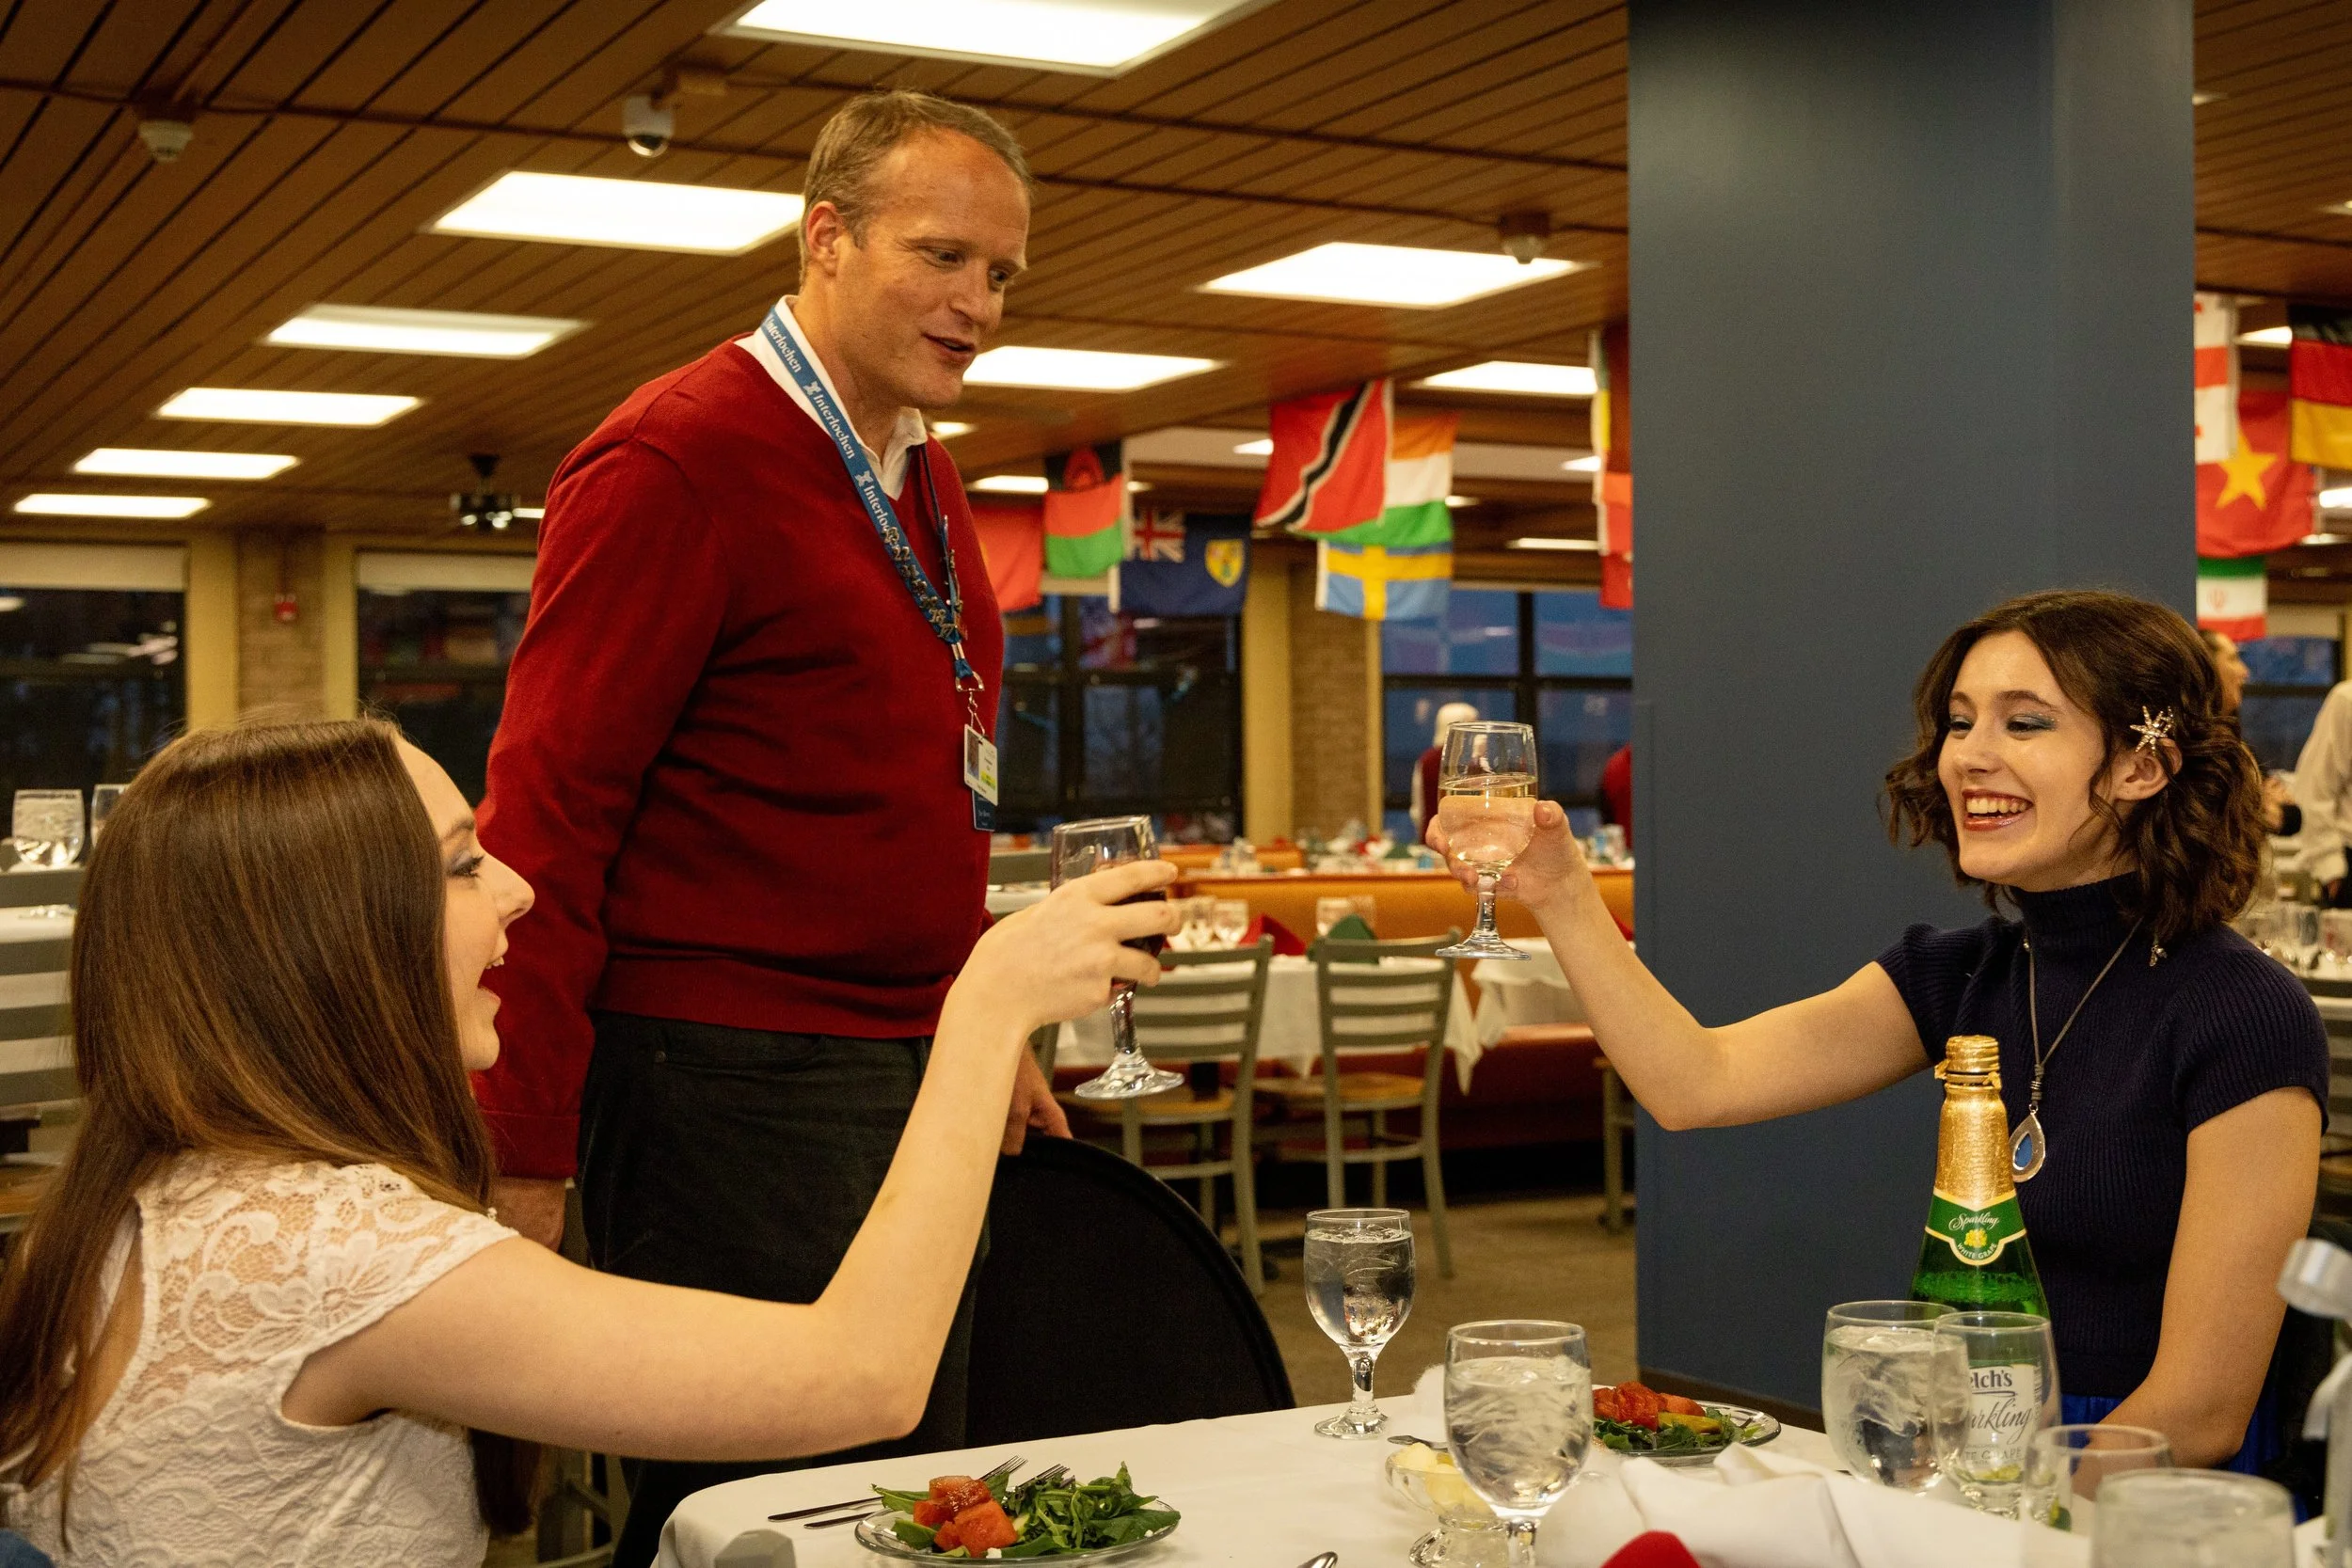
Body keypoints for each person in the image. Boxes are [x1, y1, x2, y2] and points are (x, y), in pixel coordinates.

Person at [0, 719, 1175, 1565]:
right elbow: (863, 1375)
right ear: (330, 944)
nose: (517, 889)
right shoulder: (336, 1253)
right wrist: (983, 1009)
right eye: (463, 864)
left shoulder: (135, 1202)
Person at [469, 91, 1041, 1562]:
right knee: (779, 1515)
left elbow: (905, 784)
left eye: (1002, 274)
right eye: (943, 256)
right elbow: (545, 814)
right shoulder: (676, 457)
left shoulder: (921, 465)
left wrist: (977, 1021)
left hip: (900, 1063)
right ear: (825, 238)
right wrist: (522, 1140)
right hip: (728, 1081)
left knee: (918, 1491)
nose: (979, 305)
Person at [1431, 590, 2326, 1467]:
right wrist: (1561, 891)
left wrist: (2017, 1522)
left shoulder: (2242, 1012)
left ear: (2143, 765)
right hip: (1968, 1457)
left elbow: (2200, 1408)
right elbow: (1695, 1082)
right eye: (1960, 722)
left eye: (2025, 723)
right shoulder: (1958, 973)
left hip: (2143, 1496)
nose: (1969, 756)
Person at [2201, 626, 2299, 835]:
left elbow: (2293, 818)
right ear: (2207, 669)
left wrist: (2262, 808)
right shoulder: (2193, 747)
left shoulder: (2237, 743)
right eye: (2233, 659)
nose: (2245, 672)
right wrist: (2259, 808)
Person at [1410, 702, 1482, 843]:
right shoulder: (1473, 762)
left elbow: (1417, 810)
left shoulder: (1426, 760)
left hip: (1432, 841)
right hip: (1468, 842)